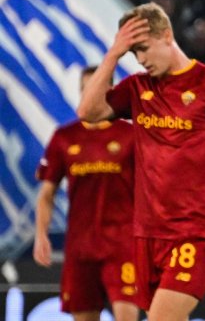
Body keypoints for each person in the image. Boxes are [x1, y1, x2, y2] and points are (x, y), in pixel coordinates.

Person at [77, 2, 205, 320]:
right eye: (134, 53)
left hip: (194, 231)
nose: (141, 60)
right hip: (147, 233)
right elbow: (87, 112)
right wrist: (113, 55)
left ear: (166, 35)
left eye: (144, 49)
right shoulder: (138, 89)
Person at [34, 66, 139, 321]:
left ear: (110, 91)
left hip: (122, 244)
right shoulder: (64, 137)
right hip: (80, 248)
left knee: (127, 314)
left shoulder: (131, 135)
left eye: (96, 88)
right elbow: (47, 193)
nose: (89, 94)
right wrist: (41, 234)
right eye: (85, 89)